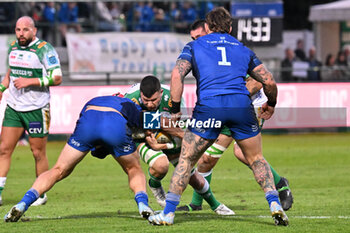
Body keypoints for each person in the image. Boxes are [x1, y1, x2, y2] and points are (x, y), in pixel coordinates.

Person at [148, 7, 288, 226]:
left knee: (186, 158)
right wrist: (271, 103)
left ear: (208, 27)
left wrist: (175, 109)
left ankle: (168, 212)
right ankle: (274, 204)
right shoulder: (243, 49)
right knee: (256, 158)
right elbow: (268, 81)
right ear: (230, 28)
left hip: (210, 108)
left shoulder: (194, 46)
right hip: (241, 107)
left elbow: (177, 74)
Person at [177, 19, 293, 213]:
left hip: (247, 106)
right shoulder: (207, 54)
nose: (195, 41)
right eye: (193, 38)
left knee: (241, 153)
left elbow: (258, 82)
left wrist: (231, 98)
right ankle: (197, 203)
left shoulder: (232, 50)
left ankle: (280, 184)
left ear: (209, 31)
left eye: (198, 37)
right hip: (226, 107)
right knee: (206, 159)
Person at [4, 95, 154, 222]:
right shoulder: (133, 106)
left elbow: (81, 125)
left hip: (87, 123)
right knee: (133, 169)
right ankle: (143, 205)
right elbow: (144, 132)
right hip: (113, 126)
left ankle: (23, 203)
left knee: (59, 169)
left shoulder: (96, 99)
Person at [124, 75, 234, 215]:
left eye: (154, 100)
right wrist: (148, 134)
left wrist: (162, 145)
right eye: (146, 100)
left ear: (161, 93)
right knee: (161, 165)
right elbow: (124, 127)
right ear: (140, 94)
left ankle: (216, 205)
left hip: (166, 136)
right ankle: (155, 184)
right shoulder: (130, 99)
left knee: (190, 174)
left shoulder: (173, 99)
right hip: (141, 136)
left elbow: (183, 134)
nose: (150, 104)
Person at [0, 16, 62, 207]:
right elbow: (10, 72)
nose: (21, 34)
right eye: (18, 30)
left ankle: (41, 194)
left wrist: (31, 81)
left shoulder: (45, 49)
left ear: (34, 31)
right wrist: (2, 88)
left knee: (37, 152)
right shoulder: (13, 47)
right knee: (3, 149)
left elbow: (57, 77)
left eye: (25, 30)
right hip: (14, 107)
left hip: (37, 108)